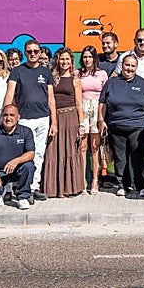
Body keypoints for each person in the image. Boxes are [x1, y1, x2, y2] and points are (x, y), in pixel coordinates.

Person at [4, 40, 57, 200]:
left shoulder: (46, 72)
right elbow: (10, 94)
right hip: (24, 120)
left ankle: (33, 187)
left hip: (42, 119)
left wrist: (54, 122)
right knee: (17, 154)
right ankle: (11, 188)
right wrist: (7, 115)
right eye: (29, 51)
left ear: (40, 52)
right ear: (25, 53)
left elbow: (51, 99)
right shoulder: (17, 71)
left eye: (35, 51)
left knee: (38, 154)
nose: (33, 54)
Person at [98, 54, 144, 198]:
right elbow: (102, 103)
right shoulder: (111, 83)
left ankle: (141, 186)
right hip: (116, 127)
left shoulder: (143, 84)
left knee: (138, 159)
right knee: (120, 159)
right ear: (122, 65)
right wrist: (101, 120)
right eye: (127, 65)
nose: (129, 69)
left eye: (132, 66)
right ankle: (122, 185)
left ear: (136, 68)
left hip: (138, 128)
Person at [43, 48, 85, 198]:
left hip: (71, 117)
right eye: (62, 59)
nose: (64, 62)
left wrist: (81, 124)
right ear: (57, 61)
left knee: (71, 151)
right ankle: (53, 188)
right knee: (53, 151)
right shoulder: (52, 78)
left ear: (71, 61)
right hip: (55, 118)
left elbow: (79, 103)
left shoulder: (75, 80)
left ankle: (70, 187)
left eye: (67, 59)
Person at [0, 104, 37, 209]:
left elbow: (31, 153)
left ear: (18, 117)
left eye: (12, 115)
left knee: (29, 166)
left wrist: (16, 161)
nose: (8, 118)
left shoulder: (26, 131)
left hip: (16, 170)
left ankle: (22, 197)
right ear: (2, 116)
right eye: (5, 115)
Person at [78, 45, 108, 195]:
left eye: (90, 56)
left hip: (97, 110)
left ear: (94, 58)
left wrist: (103, 117)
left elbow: (105, 96)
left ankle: (95, 181)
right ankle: (82, 180)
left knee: (95, 148)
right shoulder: (78, 74)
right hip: (82, 109)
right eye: (85, 57)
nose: (87, 59)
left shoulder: (102, 74)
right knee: (83, 148)